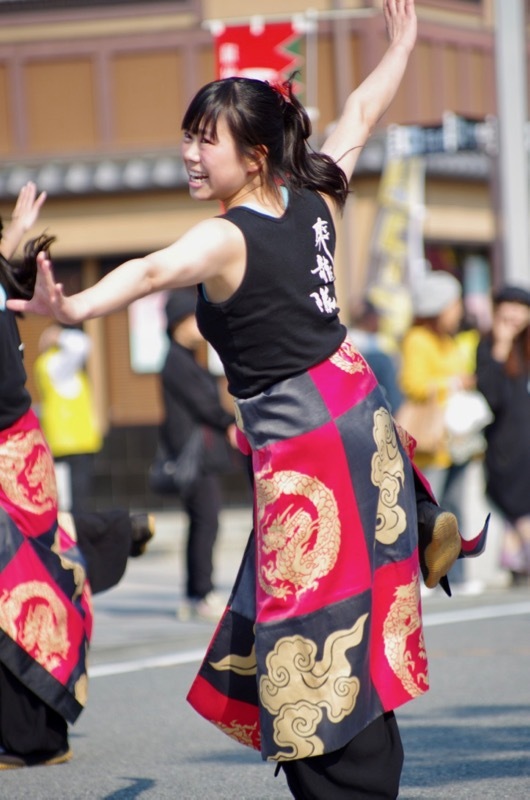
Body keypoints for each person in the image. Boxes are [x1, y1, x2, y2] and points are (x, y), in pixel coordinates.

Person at [8, 2, 487, 794]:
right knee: (354, 607)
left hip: (308, 448)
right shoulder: (314, 198)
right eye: (189, 135)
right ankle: (415, 517)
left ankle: (346, 778)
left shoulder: (226, 235)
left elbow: (151, 270)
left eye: (206, 140)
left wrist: (76, 308)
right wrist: (401, 45)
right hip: (363, 423)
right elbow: (363, 111)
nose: (190, 154)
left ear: (254, 156)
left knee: (307, 628)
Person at [0, 187, 154, 770]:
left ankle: (34, 736)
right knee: (29, 581)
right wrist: (15, 234)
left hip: (10, 457)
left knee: (18, 592)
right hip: (24, 453)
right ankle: (103, 531)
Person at [157, 288, 240, 621]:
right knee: (206, 520)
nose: (199, 325)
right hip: (193, 457)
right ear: (178, 323)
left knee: (203, 521)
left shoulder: (186, 359)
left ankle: (196, 593)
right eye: (193, 319)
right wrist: (230, 423)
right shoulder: (176, 361)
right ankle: (200, 593)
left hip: (199, 456)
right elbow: (204, 406)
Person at [399, 268, 484, 593]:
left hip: (456, 439)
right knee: (427, 513)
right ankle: (418, 575)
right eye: (454, 304)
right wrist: (452, 383)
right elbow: (413, 384)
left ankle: (457, 576)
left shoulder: (447, 340)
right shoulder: (417, 340)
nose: (458, 309)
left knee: (454, 509)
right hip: (431, 441)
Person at [476, 285, 530, 585]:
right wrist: (501, 345)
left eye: (521, 306)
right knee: (519, 503)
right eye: (508, 305)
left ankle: (514, 562)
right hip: (505, 446)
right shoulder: (487, 346)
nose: (514, 313)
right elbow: (492, 397)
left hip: (527, 439)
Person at [34, 322, 103, 513]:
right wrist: (59, 335)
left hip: (59, 443)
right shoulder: (58, 365)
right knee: (77, 504)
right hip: (74, 444)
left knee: (65, 502)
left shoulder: (45, 365)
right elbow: (82, 344)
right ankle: (74, 541)